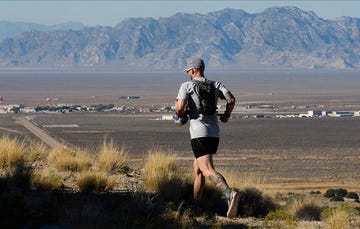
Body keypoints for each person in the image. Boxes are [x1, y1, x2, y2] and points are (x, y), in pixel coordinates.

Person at [175, 57, 239, 218]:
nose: (188, 74)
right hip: (214, 133)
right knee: (198, 169)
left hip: (198, 133)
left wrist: (179, 115)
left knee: (206, 168)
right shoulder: (216, 84)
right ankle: (197, 205)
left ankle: (229, 194)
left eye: (188, 71)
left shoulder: (187, 86)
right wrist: (226, 115)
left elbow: (180, 108)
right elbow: (231, 100)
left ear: (192, 70)